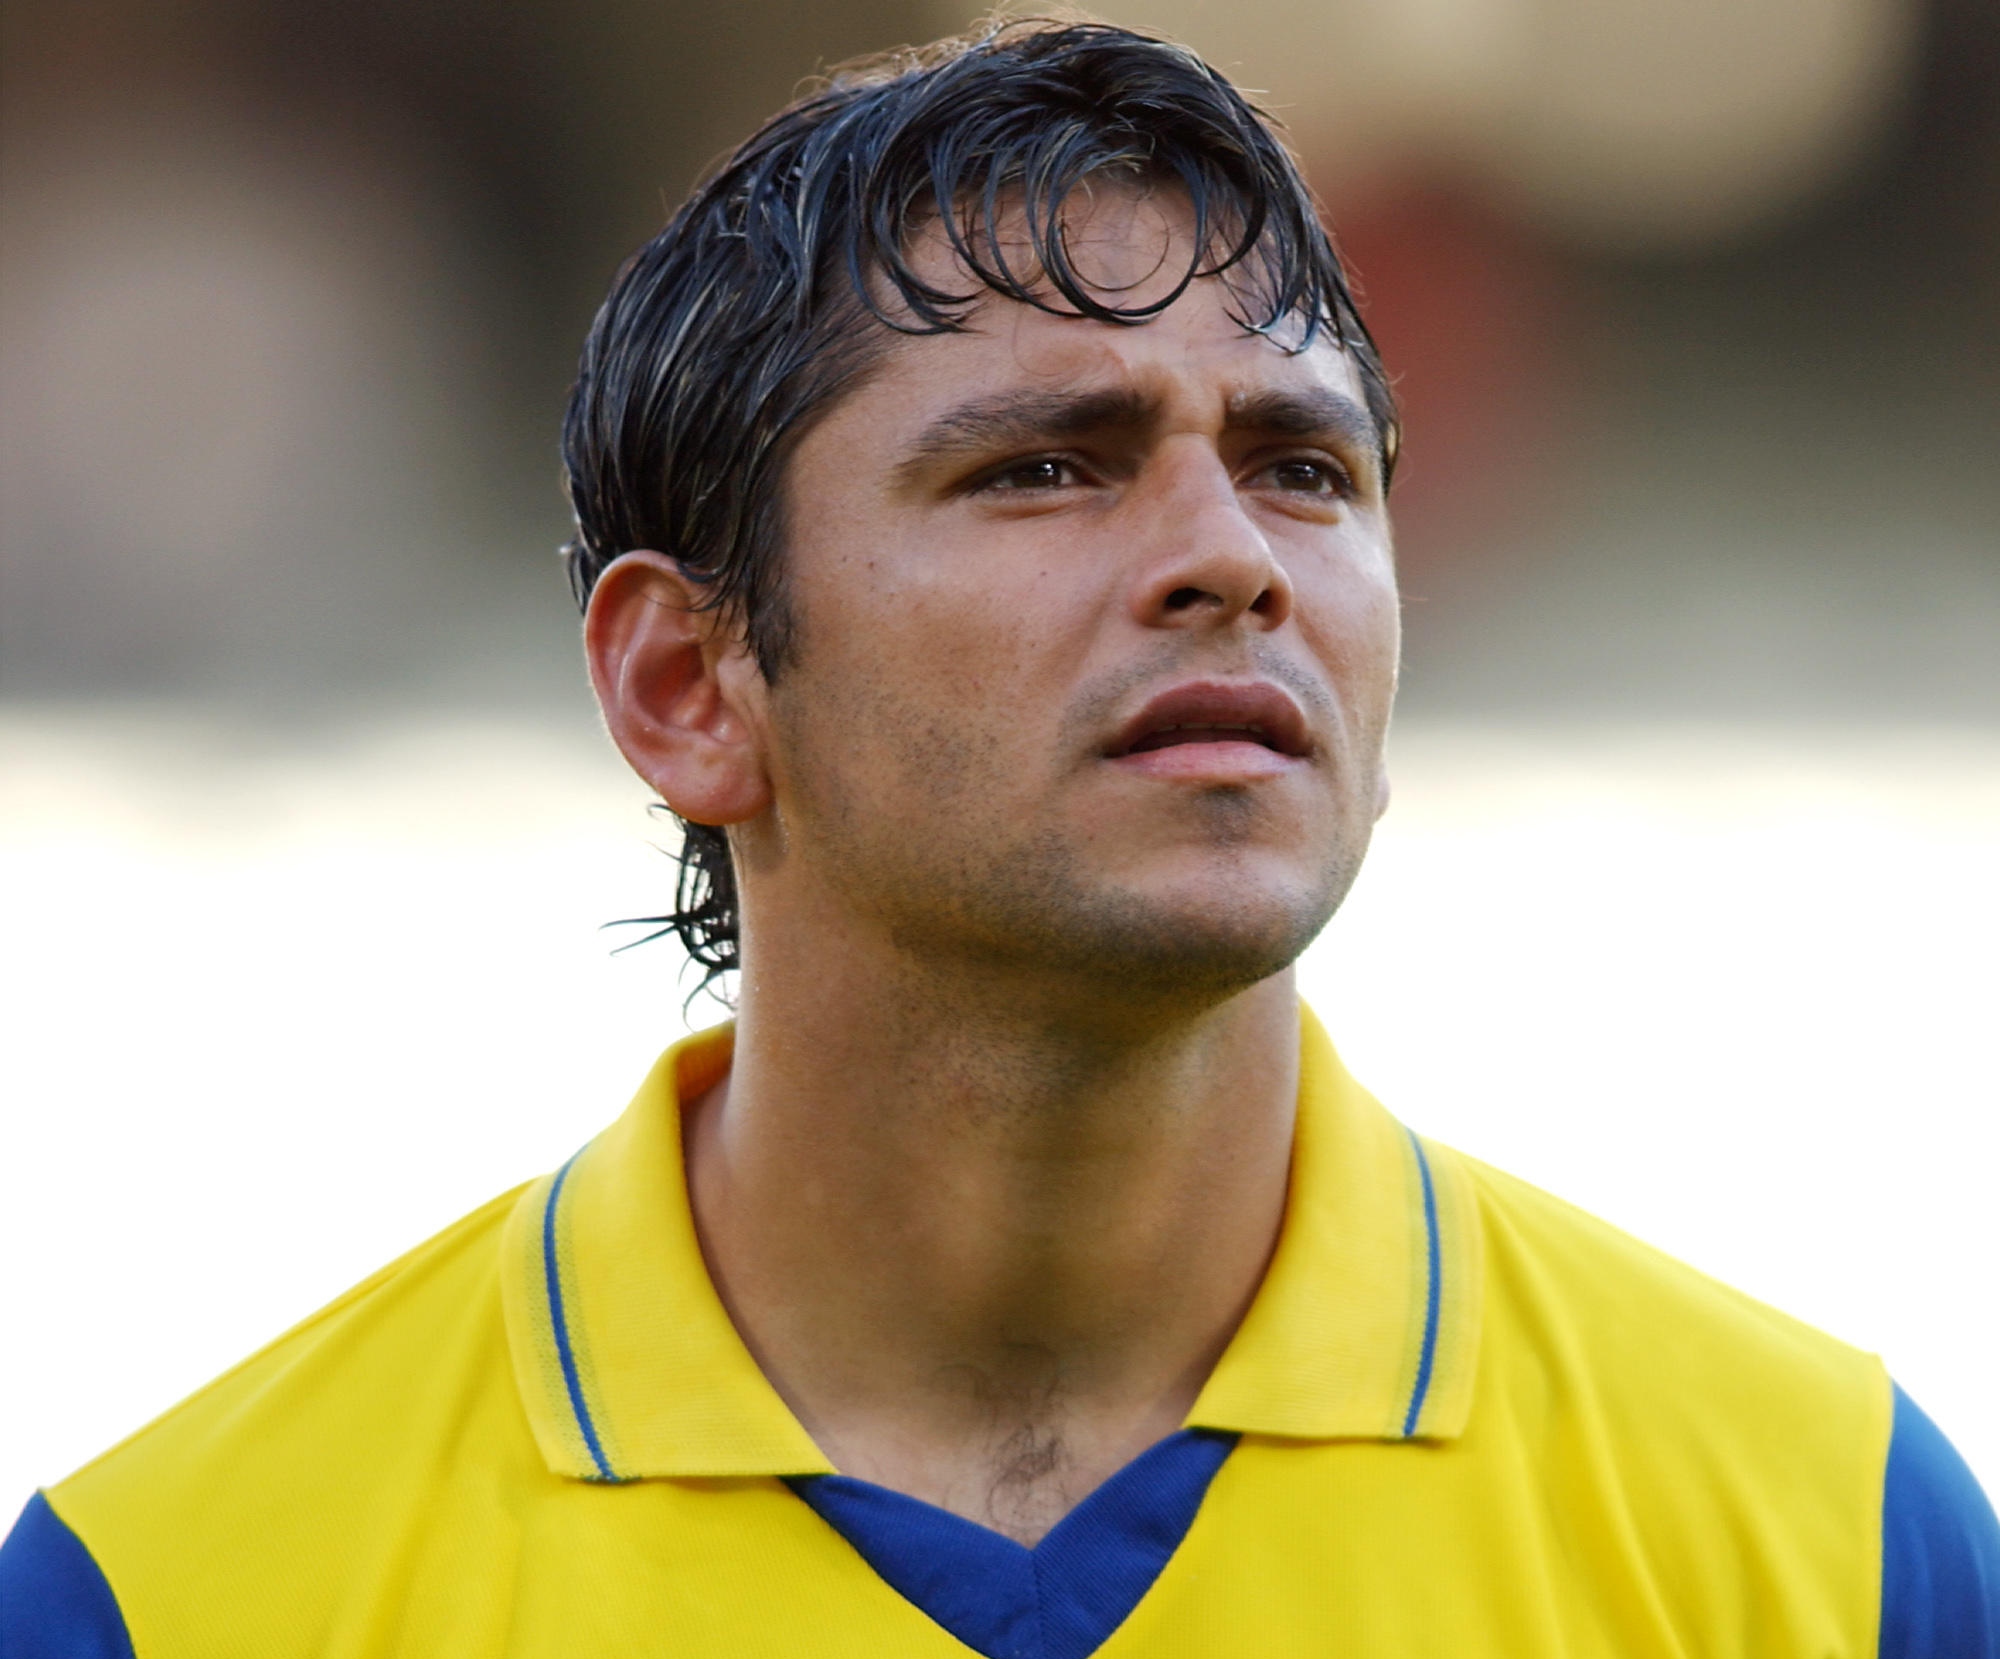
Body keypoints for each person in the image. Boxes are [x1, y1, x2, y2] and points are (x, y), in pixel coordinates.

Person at [2, 20, 1994, 1657]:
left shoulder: (1830, 1545)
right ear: (686, 684)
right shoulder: (174, 1594)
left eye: (1303, 469)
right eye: (1045, 466)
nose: (1231, 561)